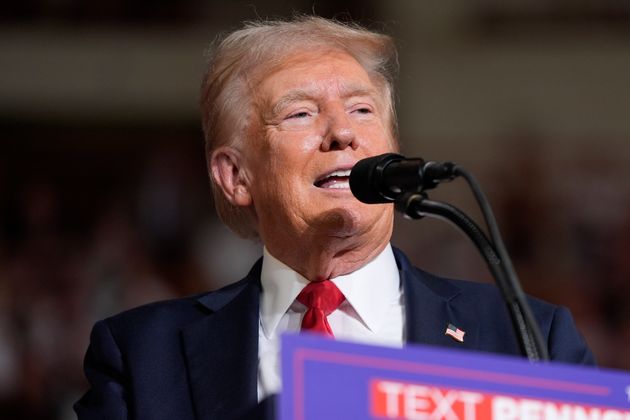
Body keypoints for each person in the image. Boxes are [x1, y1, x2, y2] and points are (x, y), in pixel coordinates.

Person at [74, 16, 594, 419]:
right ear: (236, 177)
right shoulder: (142, 357)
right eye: (301, 113)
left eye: (362, 110)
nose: (342, 134)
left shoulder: (528, 338)